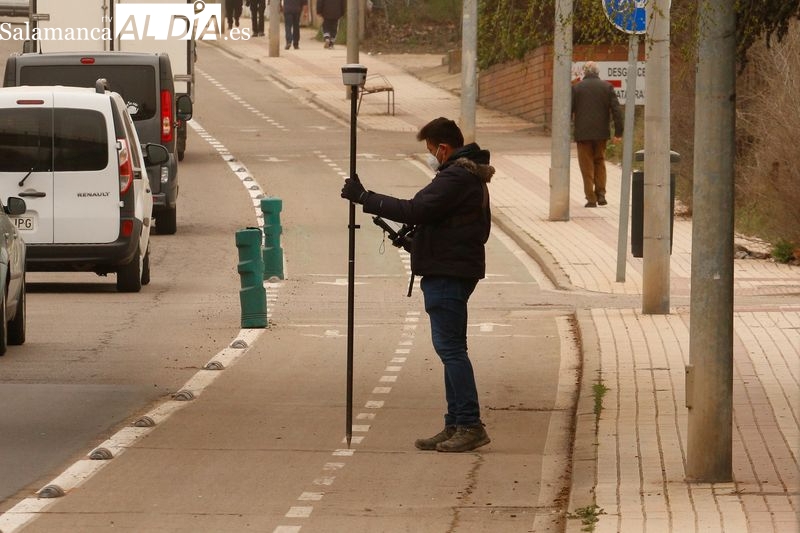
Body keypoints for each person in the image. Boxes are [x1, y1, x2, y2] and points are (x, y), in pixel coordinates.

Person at [340, 117, 494, 453]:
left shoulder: (456, 176)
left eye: (430, 150)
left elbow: (416, 209)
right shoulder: (468, 177)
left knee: (451, 350)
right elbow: (457, 227)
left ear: (443, 148)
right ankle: (456, 422)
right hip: (452, 268)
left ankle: (469, 423)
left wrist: (365, 197)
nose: (430, 157)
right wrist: (418, 243)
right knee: (451, 349)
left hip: (448, 275)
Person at [571, 61, 623, 207]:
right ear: (597, 72)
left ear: (585, 72)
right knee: (600, 161)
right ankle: (601, 194)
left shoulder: (577, 88)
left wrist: (569, 131)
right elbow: (616, 110)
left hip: (583, 134)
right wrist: (618, 132)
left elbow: (568, 109)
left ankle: (590, 198)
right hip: (601, 133)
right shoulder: (607, 87)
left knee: (586, 165)